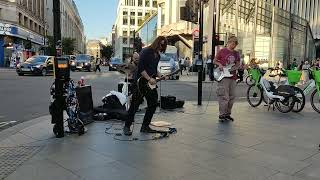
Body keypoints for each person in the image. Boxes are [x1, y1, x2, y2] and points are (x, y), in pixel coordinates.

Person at [123, 36, 168, 136]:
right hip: (140, 82)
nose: (162, 46)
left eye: (164, 45)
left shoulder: (158, 55)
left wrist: (161, 75)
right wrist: (149, 78)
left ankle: (145, 126)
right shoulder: (146, 51)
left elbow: (154, 69)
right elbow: (141, 67)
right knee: (135, 104)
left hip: (149, 83)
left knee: (153, 103)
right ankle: (126, 126)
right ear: (156, 43)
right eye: (161, 44)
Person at [214, 36, 240, 122]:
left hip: (233, 77)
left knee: (232, 96)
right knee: (224, 96)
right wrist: (220, 65)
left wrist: (238, 67)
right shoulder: (222, 51)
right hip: (223, 76)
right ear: (228, 42)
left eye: (235, 43)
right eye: (232, 42)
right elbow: (215, 61)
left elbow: (237, 64)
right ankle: (222, 114)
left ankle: (228, 114)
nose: (234, 44)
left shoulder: (236, 53)